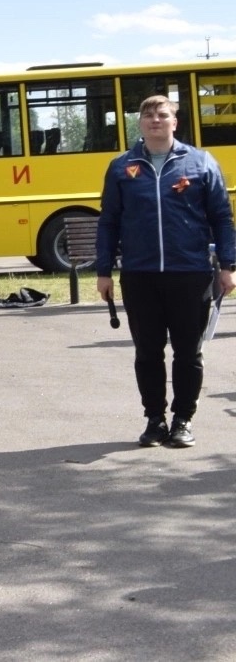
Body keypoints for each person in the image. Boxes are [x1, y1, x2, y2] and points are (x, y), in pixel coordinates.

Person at [96, 94, 236, 449]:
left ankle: (183, 419)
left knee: (188, 352)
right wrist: (103, 271)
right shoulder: (122, 166)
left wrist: (228, 266)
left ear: (175, 121)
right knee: (147, 351)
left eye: (162, 115)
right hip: (140, 275)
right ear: (140, 123)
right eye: (147, 116)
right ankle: (154, 419)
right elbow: (109, 222)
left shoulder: (201, 163)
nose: (154, 120)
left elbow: (221, 217)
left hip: (189, 273)